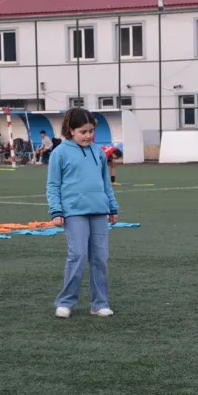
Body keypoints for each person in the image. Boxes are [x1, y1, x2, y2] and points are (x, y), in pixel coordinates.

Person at [46, 107, 119, 319]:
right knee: (77, 255)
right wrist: (56, 211)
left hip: (99, 211)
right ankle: (66, 302)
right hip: (73, 212)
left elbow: (106, 183)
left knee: (100, 258)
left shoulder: (98, 152)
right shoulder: (59, 153)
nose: (88, 136)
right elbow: (53, 185)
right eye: (83, 132)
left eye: (91, 131)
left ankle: (99, 303)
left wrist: (112, 207)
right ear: (70, 131)